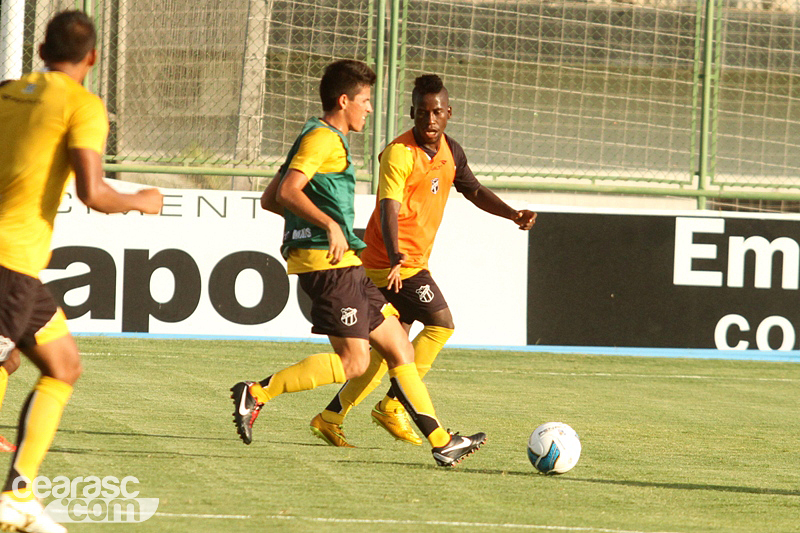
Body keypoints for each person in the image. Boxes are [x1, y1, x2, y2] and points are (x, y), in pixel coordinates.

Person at [230, 59, 486, 467]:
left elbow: (271, 198)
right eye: (365, 101)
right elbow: (289, 192)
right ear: (344, 100)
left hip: (348, 263)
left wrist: (313, 226)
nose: (369, 108)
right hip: (329, 268)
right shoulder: (323, 140)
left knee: (399, 347)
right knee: (355, 361)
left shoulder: (316, 136)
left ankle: (442, 441)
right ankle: (258, 392)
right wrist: (328, 226)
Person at [0, 11, 163, 533]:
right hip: (10, 263)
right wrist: (143, 200)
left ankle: (19, 494)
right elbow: (93, 192)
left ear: (42, 47)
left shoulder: (6, 90)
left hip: (19, 268)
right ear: (92, 58)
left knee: (63, 364)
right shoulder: (83, 104)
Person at [310, 74, 537, 447]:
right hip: (389, 264)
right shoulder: (399, 153)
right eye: (421, 113)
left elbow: (474, 190)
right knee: (442, 324)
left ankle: (331, 416)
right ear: (412, 113)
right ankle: (394, 405)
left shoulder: (452, 152)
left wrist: (513, 214)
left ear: (448, 113)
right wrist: (397, 258)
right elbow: (387, 207)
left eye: (436, 113)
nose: (429, 121)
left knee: (388, 350)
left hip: (409, 262)